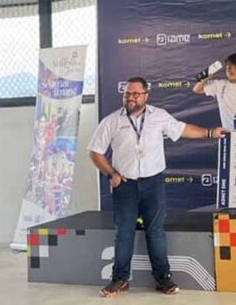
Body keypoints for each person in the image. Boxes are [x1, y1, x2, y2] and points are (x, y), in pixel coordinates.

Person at [88, 77, 226, 297]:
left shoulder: (159, 116)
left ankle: (163, 279)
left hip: (153, 184)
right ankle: (119, 279)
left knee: (155, 232)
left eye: (135, 94)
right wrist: (111, 174)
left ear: (146, 96)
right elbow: (95, 152)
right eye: (127, 94)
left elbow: (183, 129)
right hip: (125, 186)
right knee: (124, 234)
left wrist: (210, 133)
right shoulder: (112, 121)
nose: (130, 98)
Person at [193, 53, 236, 132]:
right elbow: (196, 89)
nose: (232, 70)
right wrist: (205, 78)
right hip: (228, 133)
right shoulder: (219, 84)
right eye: (229, 67)